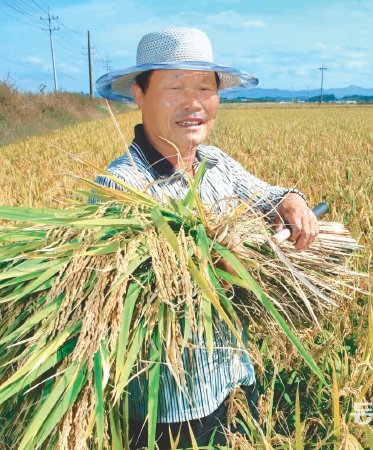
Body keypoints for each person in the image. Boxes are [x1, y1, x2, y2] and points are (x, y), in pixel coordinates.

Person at [95, 27, 318, 449]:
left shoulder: (215, 163)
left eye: (204, 87)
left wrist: (289, 200)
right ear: (139, 95)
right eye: (175, 87)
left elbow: (263, 194)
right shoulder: (122, 186)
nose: (193, 102)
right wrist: (221, 266)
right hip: (171, 405)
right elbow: (125, 298)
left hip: (234, 375)